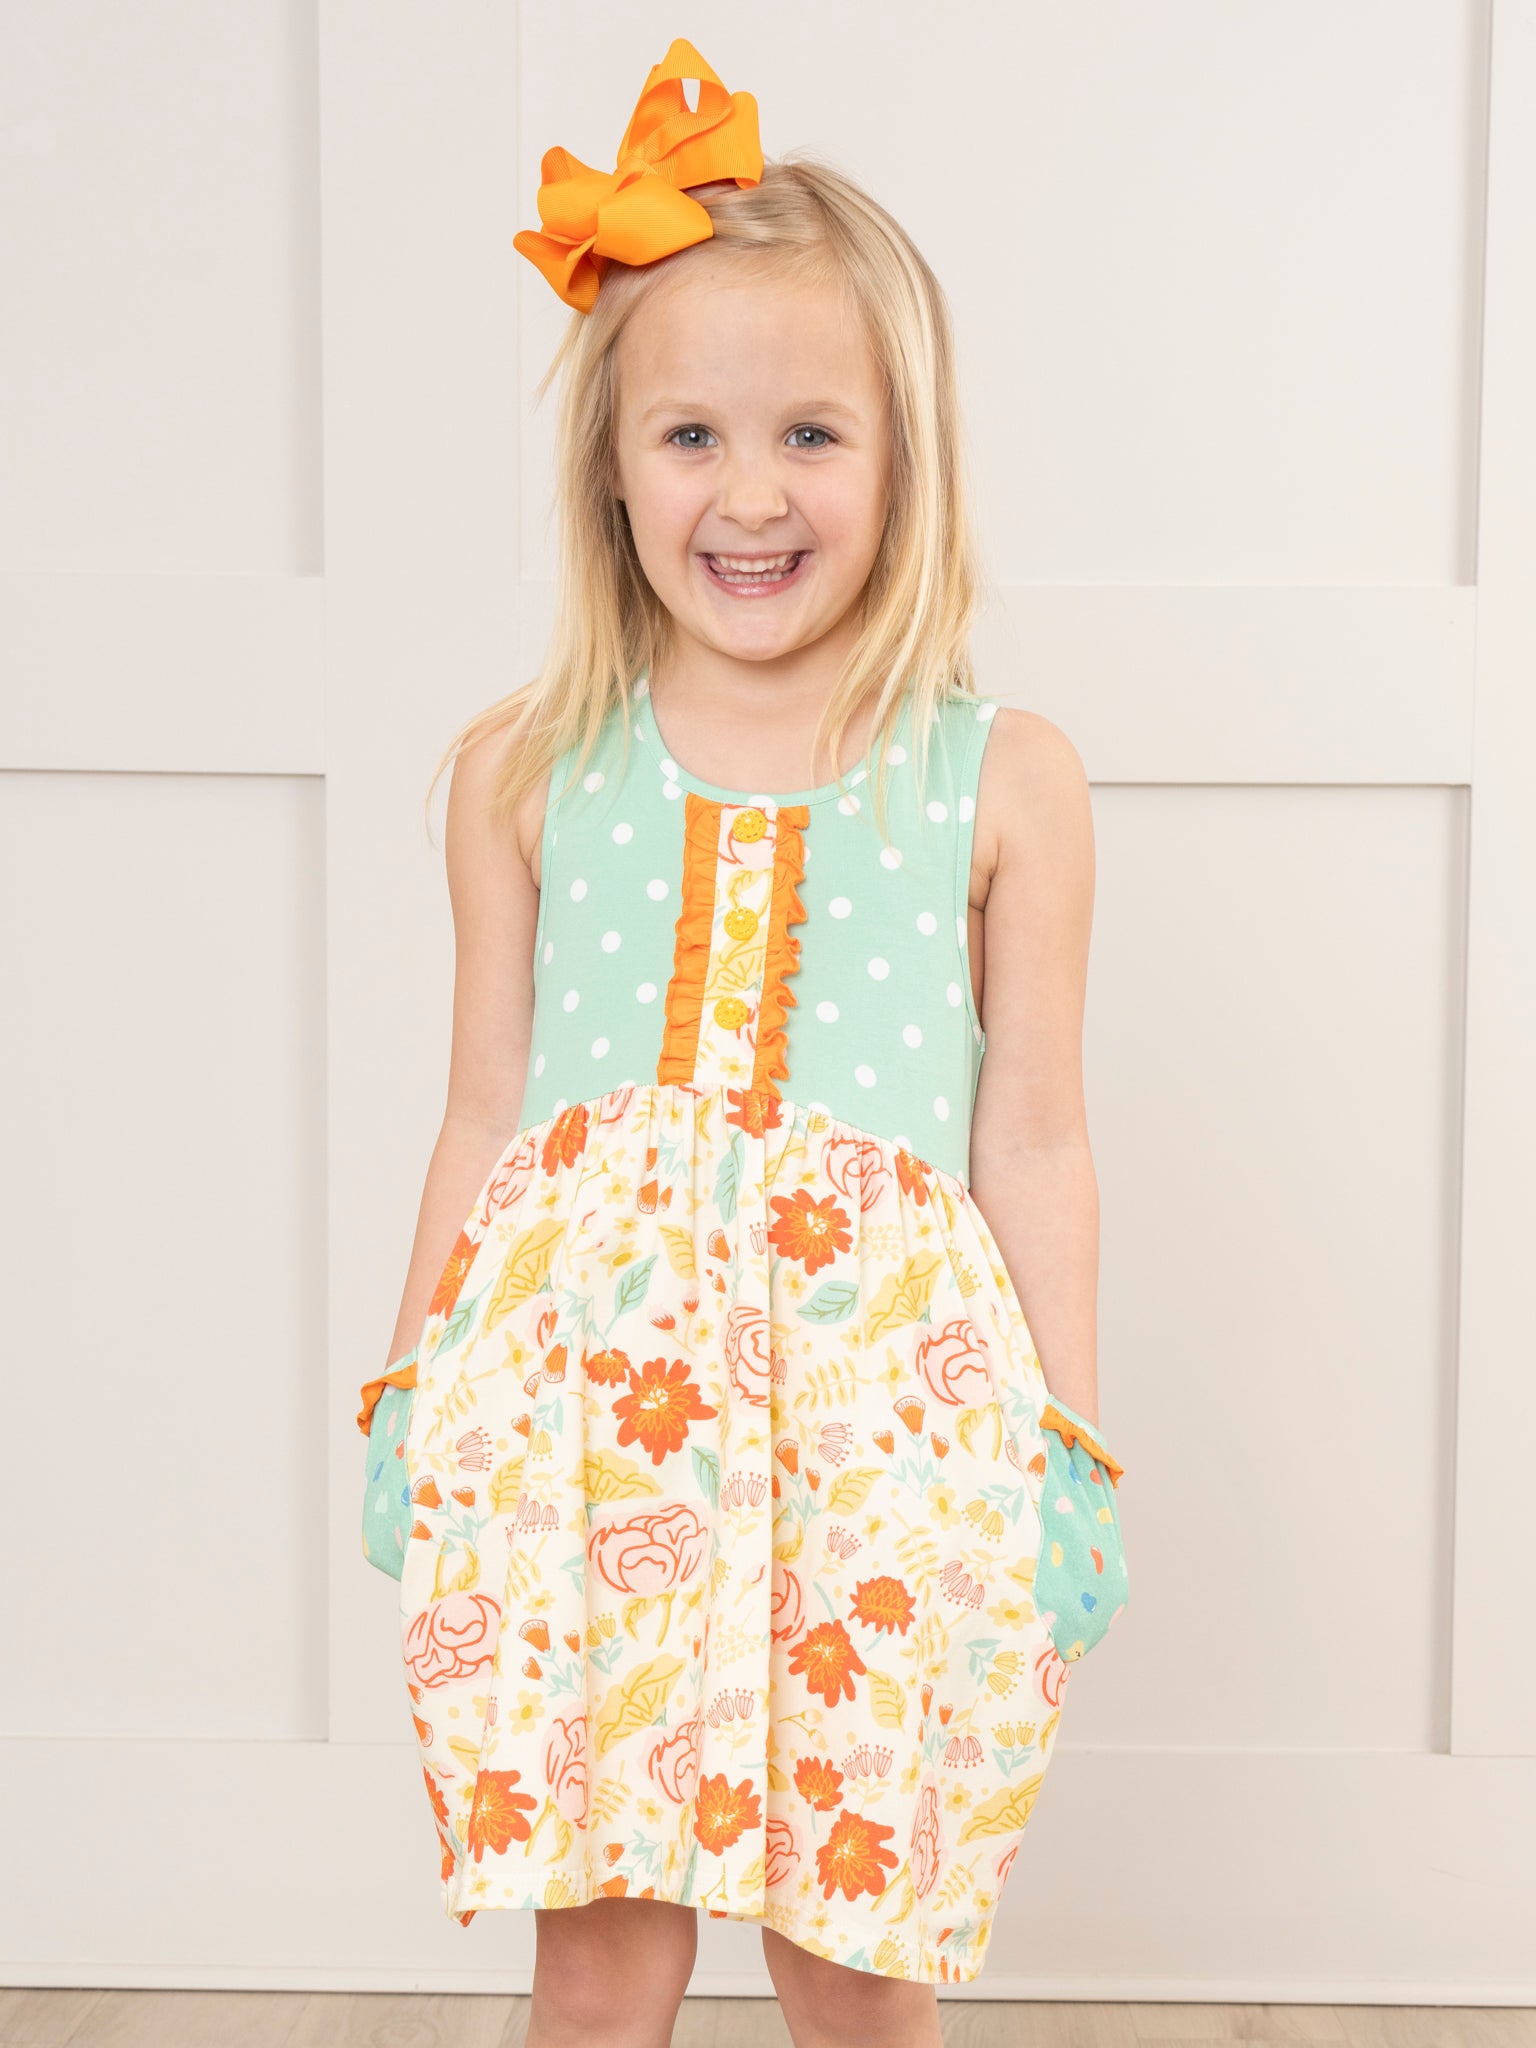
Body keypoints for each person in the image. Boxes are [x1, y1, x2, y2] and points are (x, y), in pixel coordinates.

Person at [355, 38, 1129, 2047]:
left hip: (884, 1455)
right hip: (582, 1439)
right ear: (611, 467)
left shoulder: (1003, 781)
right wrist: (412, 1379)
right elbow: (483, 1108)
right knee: (600, 1953)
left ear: (903, 458)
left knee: (851, 1954)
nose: (754, 492)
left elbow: (1036, 1136)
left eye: (811, 433)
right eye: (691, 434)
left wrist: (1068, 1441)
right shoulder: (522, 772)